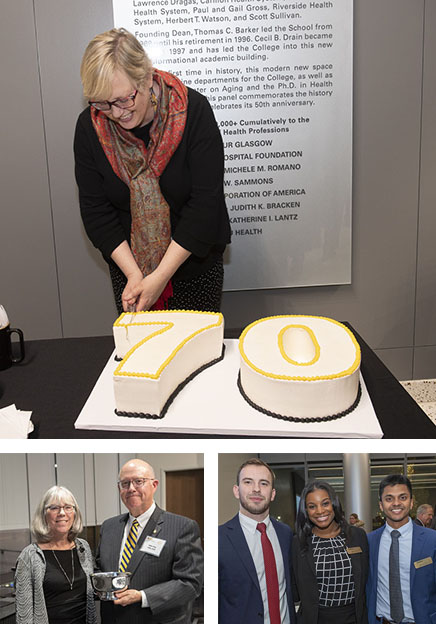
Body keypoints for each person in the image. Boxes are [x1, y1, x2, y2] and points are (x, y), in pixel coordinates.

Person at [74, 28, 231, 315]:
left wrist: (159, 276)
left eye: (124, 99)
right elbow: (96, 211)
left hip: (193, 266)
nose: (117, 112)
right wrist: (135, 275)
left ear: (146, 78)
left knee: (196, 353)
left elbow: (205, 205)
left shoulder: (194, 111)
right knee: (144, 355)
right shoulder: (90, 127)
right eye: (103, 103)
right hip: (130, 270)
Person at [96, 458, 203, 623]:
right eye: (125, 484)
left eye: (138, 481)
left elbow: (190, 583)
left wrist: (142, 596)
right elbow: (100, 568)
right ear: (119, 489)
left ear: (154, 485)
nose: (131, 489)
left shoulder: (182, 527)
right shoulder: (109, 527)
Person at [218, 458, 296, 624]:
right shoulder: (219, 539)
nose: (256, 489)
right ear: (236, 490)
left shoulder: (286, 534)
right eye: (248, 482)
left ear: (273, 493)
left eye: (264, 483)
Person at [14, 486, 96, 624]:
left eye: (68, 507)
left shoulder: (83, 548)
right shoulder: (29, 556)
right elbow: (24, 614)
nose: (62, 513)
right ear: (43, 515)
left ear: (75, 513)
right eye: (54, 508)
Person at [292, 480, 368, 624]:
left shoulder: (358, 536)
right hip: (316, 619)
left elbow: (366, 579)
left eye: (325, 503)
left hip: (354, 617)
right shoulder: (298, 542)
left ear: (334, 504)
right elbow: (294, 588)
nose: (320, 511)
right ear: (306, 511)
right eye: (312, 506)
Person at [367, 474, 436, 624]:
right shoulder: (370, 541)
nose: (396, 503)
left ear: (411, 502)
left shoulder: (432, 540)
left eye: (403, 497)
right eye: (389, 498)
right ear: (381, 505)